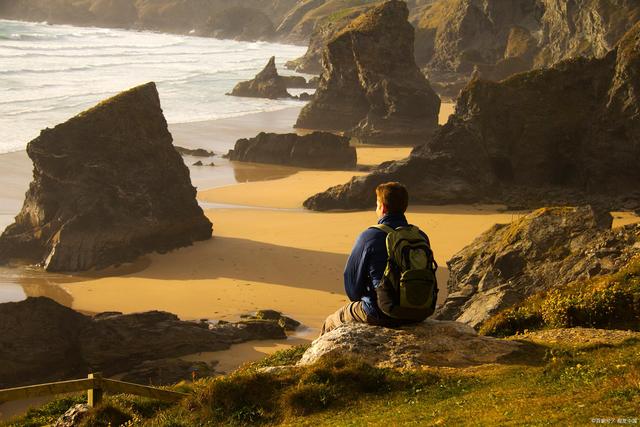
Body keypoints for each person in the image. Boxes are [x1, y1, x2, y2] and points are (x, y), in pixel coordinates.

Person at [321, 181, 438, 335]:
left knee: (330, 321)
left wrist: (368, 298)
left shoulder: (370, 236)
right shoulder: (420, 236)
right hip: (420, 311)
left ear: (383, 207)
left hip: (381, 312)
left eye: (377, 204)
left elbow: (352, 287)